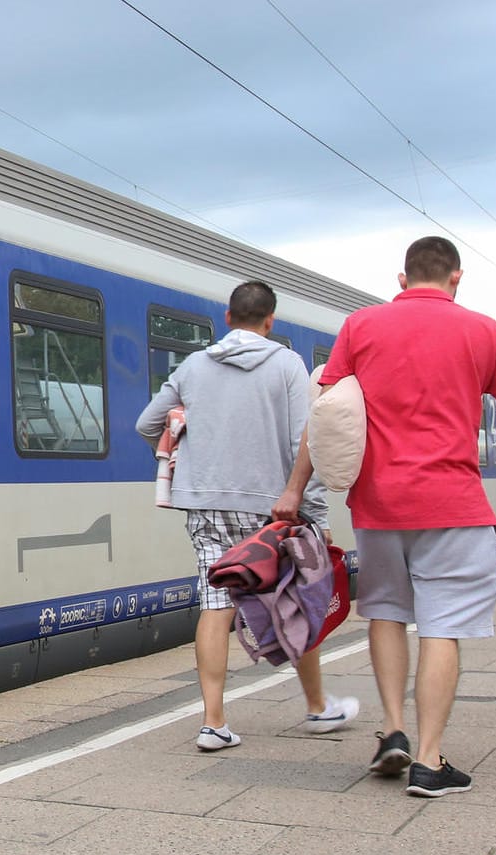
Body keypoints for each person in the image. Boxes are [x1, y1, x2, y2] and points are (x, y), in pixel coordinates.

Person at [275, 236, 496, 797]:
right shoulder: (484, 330)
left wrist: (294, 490)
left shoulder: (361, 327)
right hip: (453, 504)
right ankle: (430, 760)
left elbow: (325, 417)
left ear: (401, 279)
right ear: (456, 278)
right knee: (442, 625)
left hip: (378, 504)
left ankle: (392, 731)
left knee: (387, 612)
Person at [139, 281, 359, 753]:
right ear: (270, 320)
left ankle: (213, 723)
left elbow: (147, 424)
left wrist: (184, 463)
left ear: (227, 317)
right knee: (299, 599)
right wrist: (312, 511)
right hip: (273, 509)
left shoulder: (194, 366)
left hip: (205, 504)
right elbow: (306, 440)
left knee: (215, 606)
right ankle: (318, 707)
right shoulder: (286, 365)